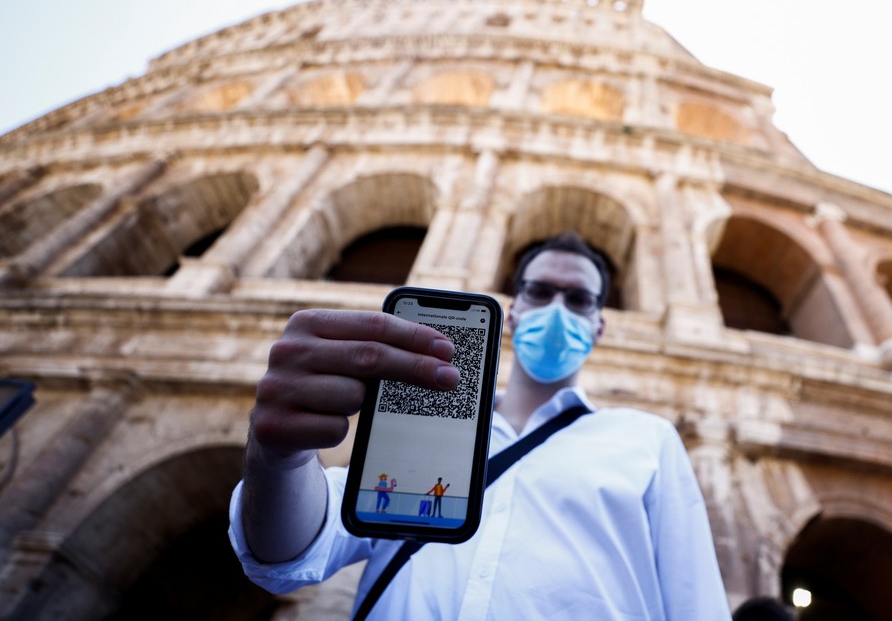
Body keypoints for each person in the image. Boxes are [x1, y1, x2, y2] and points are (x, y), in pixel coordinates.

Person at [229, 232, 732, 619]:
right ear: (514, 312)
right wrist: (279, 460)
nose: (559, 309)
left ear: (599, 325)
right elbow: (290, 552)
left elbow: (696, 603)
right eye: (541, 292)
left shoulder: (644, 439)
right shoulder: (427, 422)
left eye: (579, 299)